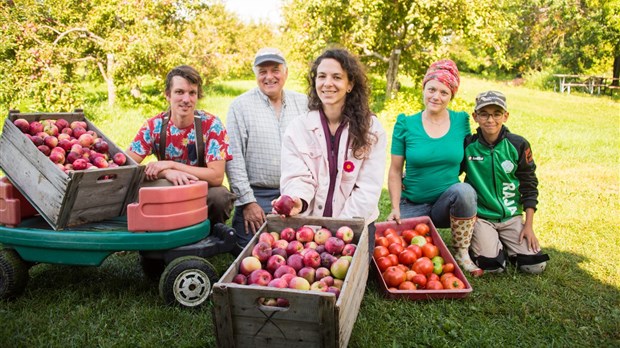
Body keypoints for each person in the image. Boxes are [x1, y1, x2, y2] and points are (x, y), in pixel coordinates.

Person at [272, 48, 387, 250]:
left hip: (354, 226)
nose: (327, 83)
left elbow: (367, 189)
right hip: (308, 227)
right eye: (321, 76)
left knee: (350, 278)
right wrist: (298, 201)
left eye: (337, 77)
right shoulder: (299, 128)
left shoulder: (371, 130)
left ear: (350, 84)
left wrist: (338, 231)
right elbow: (297, 176)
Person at [386, 59, 483, 277]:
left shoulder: (461, 121)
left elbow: (468, 160)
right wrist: (395, 207)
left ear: (451, 96)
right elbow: (394, 170)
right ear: (424, 89)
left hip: (446, 206)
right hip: (413, 202)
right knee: (395, 246)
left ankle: (461, 251)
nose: (436, 97)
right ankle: (420, 229)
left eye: (444, 92)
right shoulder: (405, 124)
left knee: (464, 191)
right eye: (431, 89)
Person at [127, 65, 236, 225]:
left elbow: (216, 176)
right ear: (168, 95)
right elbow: (126, 166)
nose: (186, 99)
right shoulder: (154, 126)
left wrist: (172, 165)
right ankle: (157, 233)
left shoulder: (212, 125)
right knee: (135, 190)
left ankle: (210, 234)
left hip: (200, 191)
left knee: (220, 197)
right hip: (168, 189)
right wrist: (166, 173)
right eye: (179, 92)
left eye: (192, 93)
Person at [226, 48, 308, 246]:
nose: (269, 77)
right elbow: (234, 158)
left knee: (300, 248)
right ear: (255, 75)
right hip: (257, 195)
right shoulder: (240, 106)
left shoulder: (304, 103)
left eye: (275, 70)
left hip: (296, 192)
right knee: (253, 250)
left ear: (286, 73)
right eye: (263, 71)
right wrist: (247, 202)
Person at [463, 90, 549, 274]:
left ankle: (504, 242)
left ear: (506, 116)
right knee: (492, 267)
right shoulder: (468, 145)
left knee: (535, 266)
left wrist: (528, 226)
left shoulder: (518, 145)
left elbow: (529, 184)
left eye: (496, 114)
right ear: (475, 116)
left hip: (512, 217)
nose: (490, 119)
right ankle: (489, 242)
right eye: (484, 114)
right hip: (482, 218)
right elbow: (447, 170)